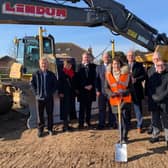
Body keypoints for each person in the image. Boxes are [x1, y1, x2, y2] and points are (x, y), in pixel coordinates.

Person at [105, 57, 132, 143]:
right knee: (118, 120)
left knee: (124, 118)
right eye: (114, 64)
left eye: (117, 64)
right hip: (114, 100)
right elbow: (106, 88)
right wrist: (111, 94)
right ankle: (121, 136)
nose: (116, 65)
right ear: (112, 65)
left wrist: (123, 93)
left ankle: (124, 136)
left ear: (120, 64)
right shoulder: (108, 75)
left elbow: (131, 88)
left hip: (125, 100)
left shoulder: (126, 74)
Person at [30, 57, 58, 137]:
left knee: (50, 114)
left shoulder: (51, 74)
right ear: (39, 64)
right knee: (40, 115)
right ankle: (40, 130)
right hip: (39, 99)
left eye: (45, 63)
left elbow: (55, 85)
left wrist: (51, 93)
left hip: (49, 98)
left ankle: (50, 129)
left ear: (47, 64)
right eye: (42, 63)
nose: (44, 65)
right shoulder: (35, 74)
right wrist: (36, 94)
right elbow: (32, 84)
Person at [95, 52, 116, 129]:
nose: (106, 58)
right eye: (105, 57)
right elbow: (96, 80)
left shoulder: (113, 67)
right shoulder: (98, 67)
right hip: (102, 92)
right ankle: (101, 124)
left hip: (111, 92)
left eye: (107, 57)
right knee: (101, 109)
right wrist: (97, 90)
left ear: (109, 58)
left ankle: (112, 124)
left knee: (111, 109)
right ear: (102, 58)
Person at [126, 50, 145, 133]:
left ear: (134, 56)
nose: (130, 57)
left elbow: (144, 76)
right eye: (129, 55)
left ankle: (139, 125)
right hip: (127, 91)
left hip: (137, 90)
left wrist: (136, 79)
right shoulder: (124, 66)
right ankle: (128, 124)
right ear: (127, 57)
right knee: (127, 109)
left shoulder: (139, 65)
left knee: (138, 109)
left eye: (132, 55)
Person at [76, 52, 96, 129]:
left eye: (87, 57)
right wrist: (84, 86)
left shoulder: (93, 66)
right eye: (85, 57)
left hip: (90, 91)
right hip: (82, 91)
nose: (86, 59)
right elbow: (77, 79)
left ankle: (88, 122)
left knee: (88, 108)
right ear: (82, 58)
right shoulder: (78, 67)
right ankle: (81, 123)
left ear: (89, 58)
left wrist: (91, 85)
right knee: (82, 109)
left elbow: (95, 77)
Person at [146, 52, 162, 142]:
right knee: (154, 118)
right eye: (154, 59)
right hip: (153, 98)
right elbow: (147, 84)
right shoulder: (150, 70)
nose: (155, 60)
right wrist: (148, 96)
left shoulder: (166, 67)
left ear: (160, 59)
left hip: (164, 98)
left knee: (165, 118)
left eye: (157, 58)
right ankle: (155, 136)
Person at [152, 60, 168, 147]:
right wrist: (154, 97)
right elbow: (150, 88)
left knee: (166, 121)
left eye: (162, 65)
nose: (160, 66)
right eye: (158, 65)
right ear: (156, 66)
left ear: (165, 66)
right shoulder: (153, 76)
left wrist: (161, 97)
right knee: (155, 119)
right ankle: (155, 136)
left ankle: (167, 138)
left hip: (165, 101)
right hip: (155, 101)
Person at [59, 60, 77, 131]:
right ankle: (65, 126)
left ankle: (68, 125)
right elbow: (59, 83)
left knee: (70, 110)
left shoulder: (72, 73)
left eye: (69, 65)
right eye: (66, 65)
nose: (68, 66)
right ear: (64, 65)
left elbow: (74, 84)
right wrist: (60, 92)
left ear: (71, 66)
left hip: (71, 94)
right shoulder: (62, 73)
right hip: (64, 94)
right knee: (64, 110)